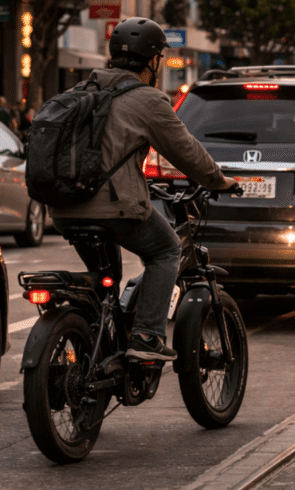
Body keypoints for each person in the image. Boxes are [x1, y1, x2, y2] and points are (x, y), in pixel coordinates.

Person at [49, 18, 238, 362]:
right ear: (153, 61)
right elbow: (187, 152)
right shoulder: (147, 100)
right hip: (115, 209)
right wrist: (219, 180)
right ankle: (146, 336)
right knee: (165, 250)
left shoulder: (79, 93)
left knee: (107, 279)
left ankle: (94, 342)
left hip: (63, 209)